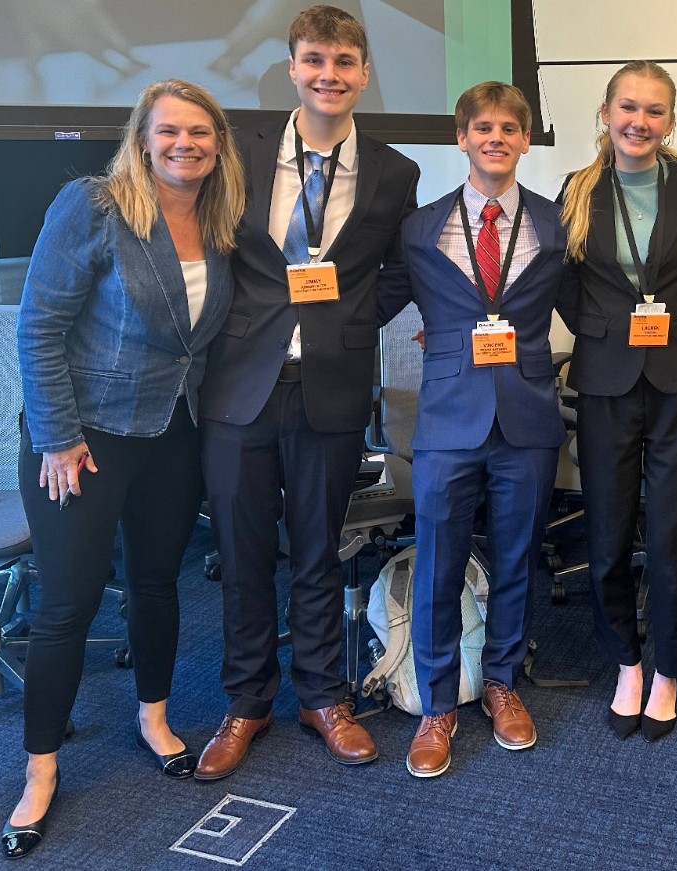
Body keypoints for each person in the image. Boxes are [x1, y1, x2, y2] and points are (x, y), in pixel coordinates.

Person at [7, 79, 245, 860]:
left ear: (218, 144)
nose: (185, 144)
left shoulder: (219, 219)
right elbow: (39, 326)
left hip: (172, 434)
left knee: (155, 583)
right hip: (83, 440)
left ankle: (154, 716)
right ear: (142, 138)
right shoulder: (95, 205)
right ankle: (41, 768)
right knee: (67, 604)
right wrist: (57, 437)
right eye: (169, 130)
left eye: (200, 132)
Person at [194, 4, 419, 780]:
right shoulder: (239, 148)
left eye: (344, 62)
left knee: (321, 549)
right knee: (243, 553)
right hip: (240, 385)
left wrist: (350, 321)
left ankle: (324, 696)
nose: (329, 74)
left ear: (364, 73)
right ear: (292, 68)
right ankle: (246, 700)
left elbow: (401, 270)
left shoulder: (394, 171)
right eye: (315, 60)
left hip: (331, 383)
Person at [376, 81, 573, 777]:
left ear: (525, 140)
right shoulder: (420, 228)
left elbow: (589, 304)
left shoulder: (555, 223)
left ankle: (502, 681)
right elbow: (378, 299)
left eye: (509, 128)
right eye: (482, 127)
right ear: (461, 138)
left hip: (527, 414)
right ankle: (436, 704)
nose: (496, 138)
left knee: (518, 558)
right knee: (438, 562)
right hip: (446, 417)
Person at [558, 60, 677, 742]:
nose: (640, 121)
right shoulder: (578, 189)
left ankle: (669, 669)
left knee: (674, 532)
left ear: (671, 122)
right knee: (606, 531)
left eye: (655, 110)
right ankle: (626, 660)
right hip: (606, 380)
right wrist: (596, 328)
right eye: (628, 107)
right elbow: (564, 278)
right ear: (605, 113)